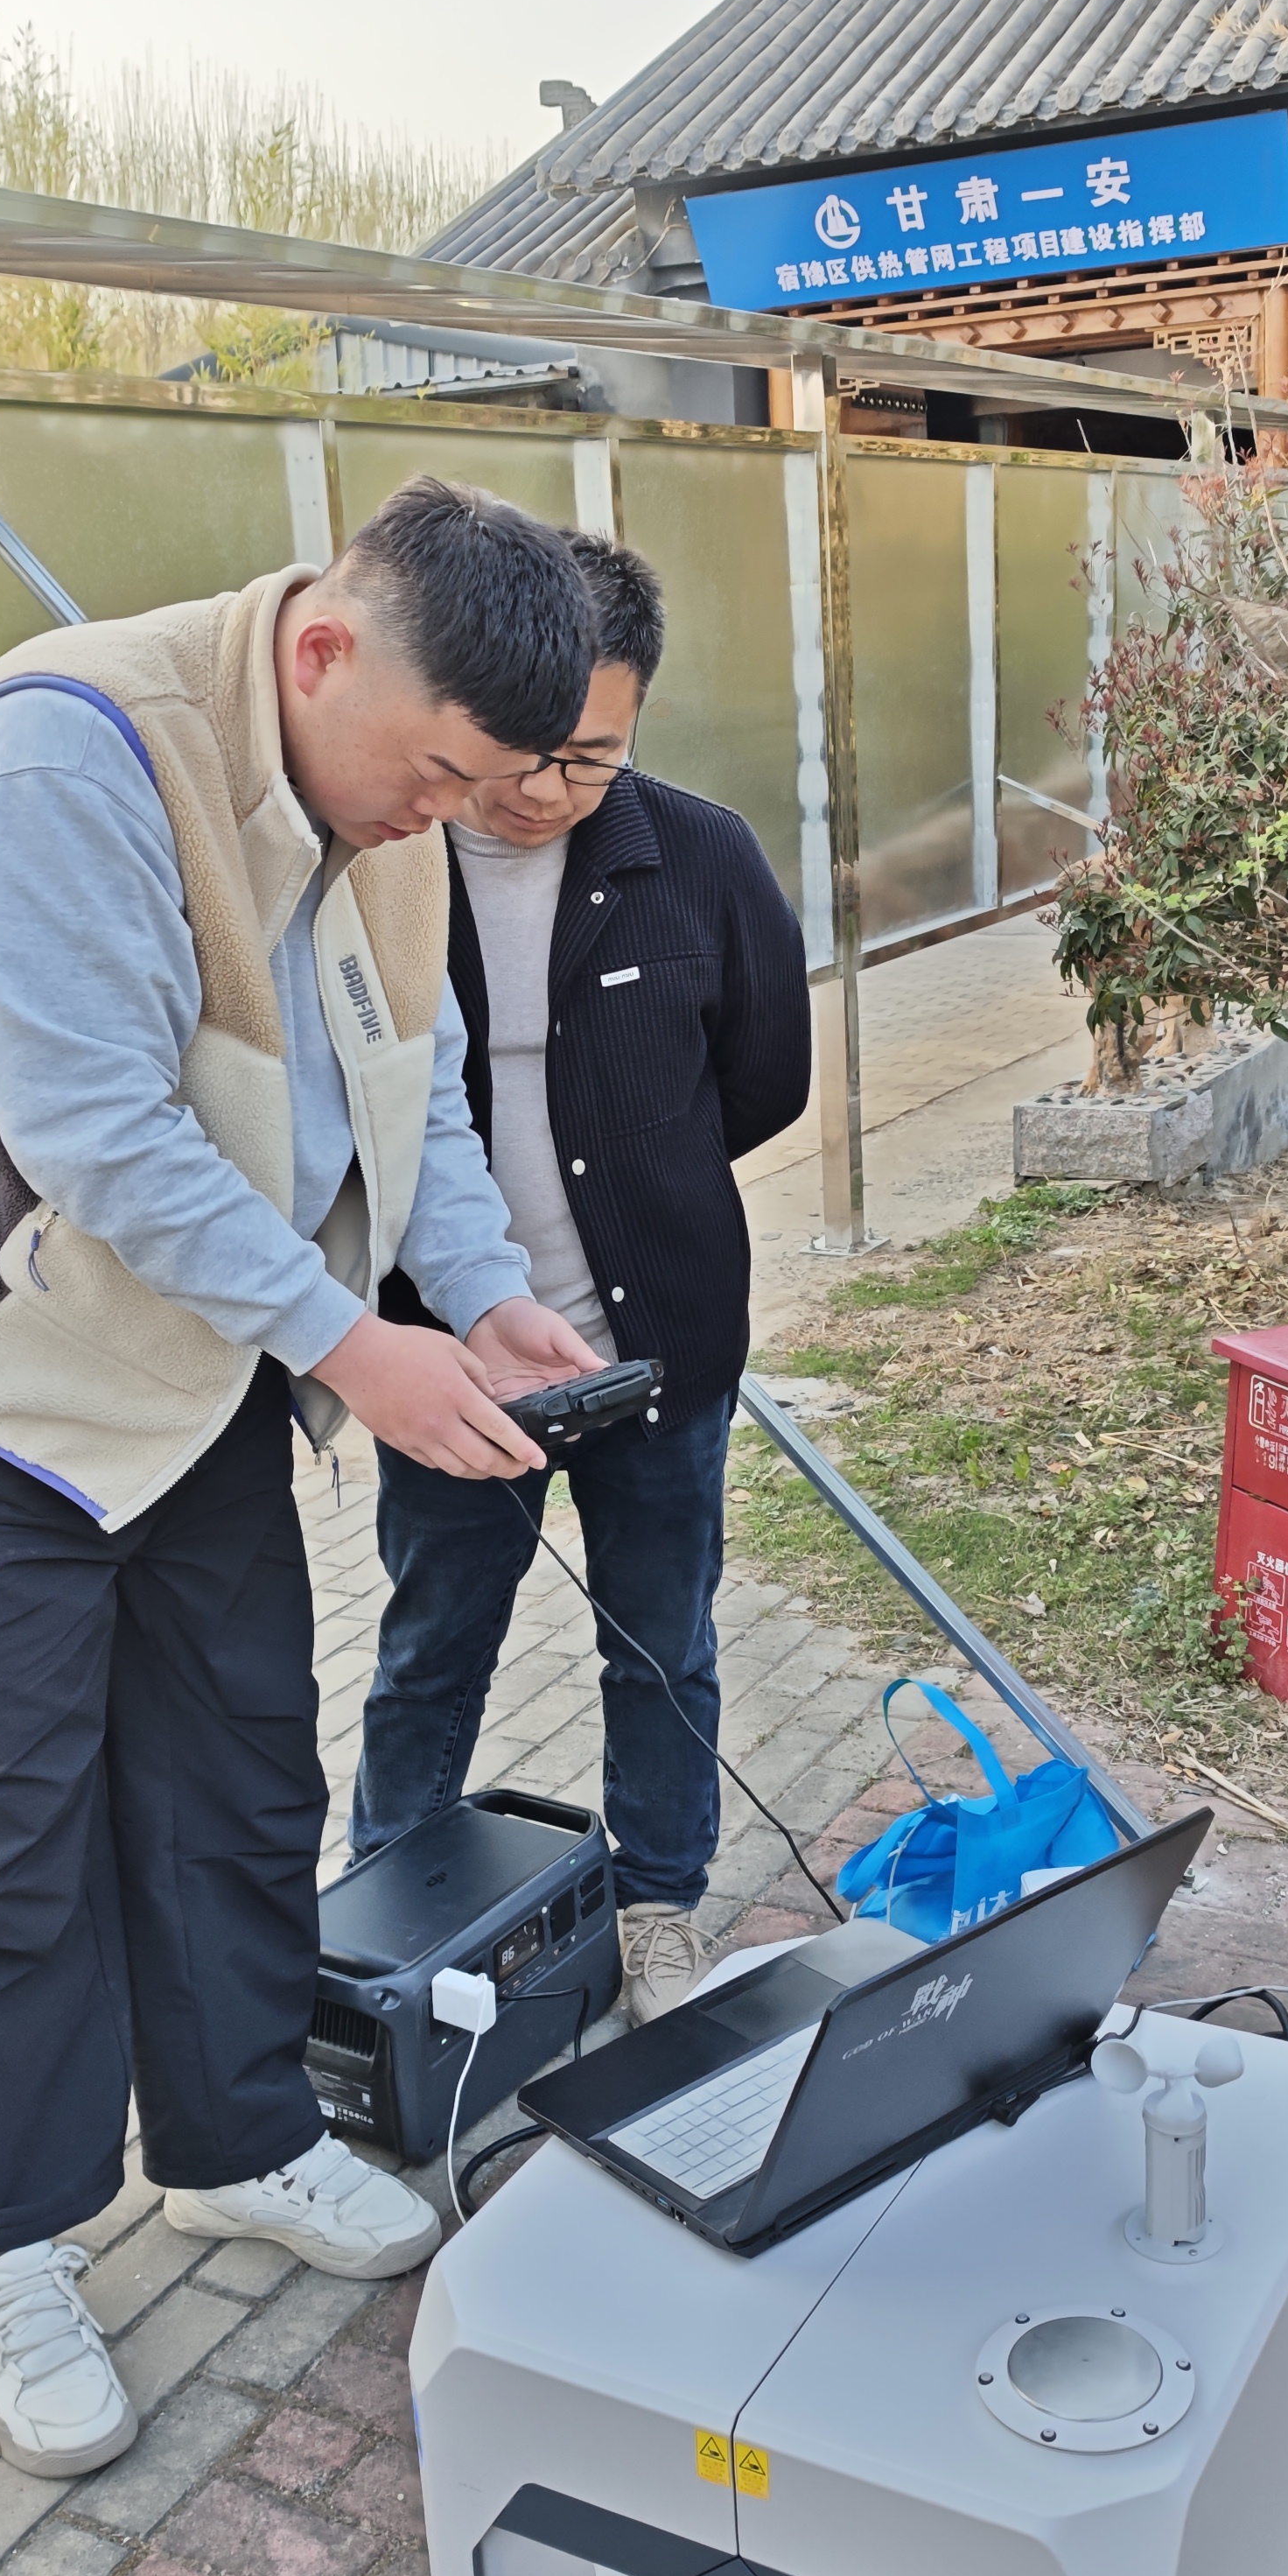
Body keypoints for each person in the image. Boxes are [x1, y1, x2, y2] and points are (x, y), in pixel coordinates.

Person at [0, 481, 609, 2481]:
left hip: (204, 1369)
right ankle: (9, 2248)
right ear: (323, 648)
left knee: (241, 1773)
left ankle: (238, 2138)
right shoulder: (71, 748)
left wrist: (482, 1295)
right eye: (439, 773)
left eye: (482, 788)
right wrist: (353, 1345)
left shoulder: (395, 811)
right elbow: (94, 1125)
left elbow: (413, 1097)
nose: (442, 818)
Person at [350, 532, 812, 2018]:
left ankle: (659, 1904)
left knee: (662, 1644)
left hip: (658, 1343)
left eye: (592, 757)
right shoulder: (390, 860)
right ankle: (390, 1916)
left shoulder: (699, 856)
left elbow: (767, 1077)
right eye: (527, 750)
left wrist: (638, 1180)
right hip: (450, 1360)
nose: (546, 790)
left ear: (637, 722)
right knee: (434, 1645)